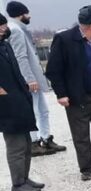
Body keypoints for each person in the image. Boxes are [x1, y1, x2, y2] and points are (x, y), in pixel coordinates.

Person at [45, 6, 91, 181]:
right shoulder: (64, 40)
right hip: (78, 97)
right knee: (81, 136)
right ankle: (87, 168)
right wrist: (61, 93)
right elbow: (53, 70)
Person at [5, 1, 65, 157]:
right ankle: (34, 143)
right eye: (27, 13)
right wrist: (29, 79)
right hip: (29, 80)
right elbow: (21, 57)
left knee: (43, 110)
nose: (29, 15)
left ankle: (45, 138)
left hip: (31, 78)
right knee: (34, 111)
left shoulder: (18, 29)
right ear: (20, 14)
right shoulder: (16, 31)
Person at [0, 13, 43, 191]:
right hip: (6, 104)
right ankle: (18, 184)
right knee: (16, 146)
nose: (4, 28)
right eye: (0, 26)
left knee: (25, 142)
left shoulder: (5, 45)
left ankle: (24, 178)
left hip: (19, 98)